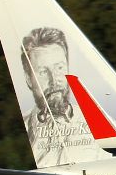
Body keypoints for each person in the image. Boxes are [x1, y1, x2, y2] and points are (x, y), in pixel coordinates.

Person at [19, 27, 92, 167]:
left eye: (59, 68)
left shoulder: (98, 121)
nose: (54, 80)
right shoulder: (23, 131)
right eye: (43, 72)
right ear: (28, 79)